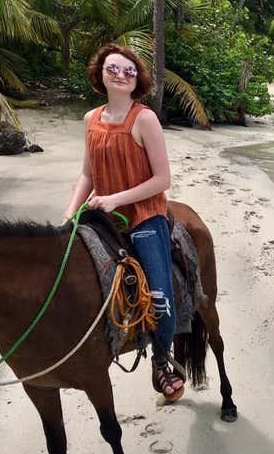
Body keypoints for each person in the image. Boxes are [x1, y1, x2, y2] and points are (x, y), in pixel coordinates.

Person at [62, 44, 184, 401]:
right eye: (112, 68)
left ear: (137, 81)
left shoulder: (144, 119)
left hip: (143, 215)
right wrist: (71, 210)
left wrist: (115, 198)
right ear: (100, 74)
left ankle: (162, 360)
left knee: (160, 297)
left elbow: (163, 180)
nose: (119, 74)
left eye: (128, 71)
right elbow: (87, 174)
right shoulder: (91, 119)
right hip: (101, 212)